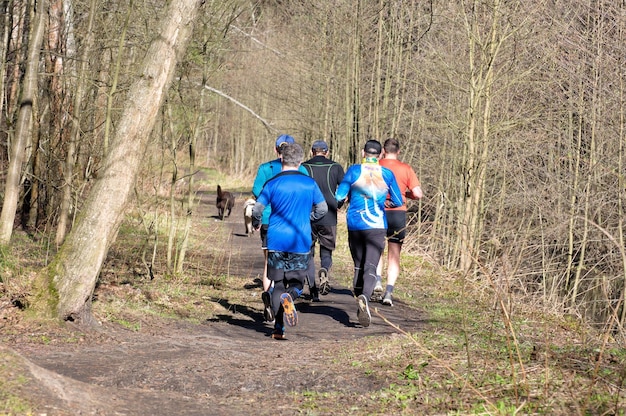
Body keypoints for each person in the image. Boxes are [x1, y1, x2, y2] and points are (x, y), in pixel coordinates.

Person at [252, 143, 327, 340]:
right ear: (300, 161)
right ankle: (291, 296)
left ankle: (278, 329)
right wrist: (306, 218)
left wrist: (256, 221)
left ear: (282, 159)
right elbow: (322, 209)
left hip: (276, 240)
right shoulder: (309, 183)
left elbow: (257, 209)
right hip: (300, 240)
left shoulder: (272, 183)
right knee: (296, 284)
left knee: (277, 284)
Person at [335, 139, 403, 327]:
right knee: (371, 265)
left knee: (359, 264)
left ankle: (359, 294)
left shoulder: (354, 170)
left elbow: (339, 196)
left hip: (356, 224)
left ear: (363, 152)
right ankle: (364, 296)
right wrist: (386, 203)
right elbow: (398, 200)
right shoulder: (387, 174)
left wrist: (347, 197)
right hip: (377, 225)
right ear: (381, 155)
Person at [252, 134, 309, 322]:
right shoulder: (304, 173)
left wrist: (256, 220)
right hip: (297, 228)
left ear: (277, 151)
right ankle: (288, 295)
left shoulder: (266, 168)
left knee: (270, 264)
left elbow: (257, 194)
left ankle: (269, 299)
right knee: (294, 271)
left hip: (270, 222)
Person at [375, 138, 423, 306]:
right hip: (397, 213)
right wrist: (405, 195)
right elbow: (418, 194)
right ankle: (388, 292)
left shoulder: (376, 165)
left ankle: (377, 281)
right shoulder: (406, 169)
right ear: (399, 151)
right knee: (394, 253)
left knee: (377, 248)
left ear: (383, 150)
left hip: (377, 211)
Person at [302, 140, 345, 301]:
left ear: (312, 151)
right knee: (326, 251)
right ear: (327, 152)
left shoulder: (304, 167)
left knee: (308, 253)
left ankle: (313, 291)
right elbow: (345, 188)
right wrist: (337, 204)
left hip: (308, 214)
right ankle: (325, 269)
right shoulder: (336, 167)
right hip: (329, 214)